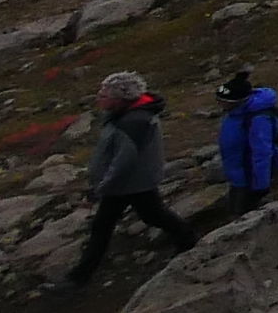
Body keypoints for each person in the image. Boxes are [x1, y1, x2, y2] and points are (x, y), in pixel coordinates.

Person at [70, 71, 196, 286]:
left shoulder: (134, 121)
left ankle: (78, 279)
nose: (99, 98)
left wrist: (101, 187)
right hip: (129, 184)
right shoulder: (124, 115)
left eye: (104, 94)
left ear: (121, 97)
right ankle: (189, 242)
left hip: (130, 184)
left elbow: (123, 162)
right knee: (152, 216)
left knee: (106, 226)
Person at [213, 70, 278, 213]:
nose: (219, 103)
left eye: (222, 101)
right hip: (239, 175)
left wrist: (261, 185)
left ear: (236, 101)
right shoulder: (236, 114)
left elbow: (262, 153)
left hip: (250, 178)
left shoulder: (258, 119)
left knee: (241, 215)